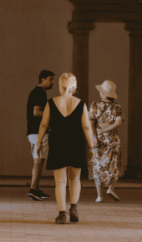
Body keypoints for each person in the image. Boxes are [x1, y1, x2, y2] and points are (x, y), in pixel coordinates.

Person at [35, 73, 98, 224]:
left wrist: (38, 143)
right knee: (75, 178)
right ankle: (74, 208)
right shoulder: (81, 103)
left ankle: (62, 214)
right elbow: (86, 127)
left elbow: (44, 124)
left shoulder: (51, 102)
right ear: (74, 86)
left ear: (60, 85)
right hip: (76, 142)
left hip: (57, 143)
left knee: (60, 181)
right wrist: (92, 148)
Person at [89, 79, 124, 203]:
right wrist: (107, 129)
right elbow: (117, 123)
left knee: (98, 165)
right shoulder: (117, 107)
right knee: (114, 164)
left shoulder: (94, 105)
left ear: (103, 93)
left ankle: (100, 195)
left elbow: (91, 122)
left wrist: (96, 135)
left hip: (98, 139)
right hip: (113, 139)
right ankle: (111, 188)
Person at [27, 70, 55, 201]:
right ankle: (33, 189)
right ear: (42, 79)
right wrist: (52, 115)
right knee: (39, 160)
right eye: (50, 79)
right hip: (38, 132)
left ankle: (35, 189)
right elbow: (36, 112)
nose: (52, 82)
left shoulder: (38, 92)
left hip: (35, 132)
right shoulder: (39, 93)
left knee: (38, 160)